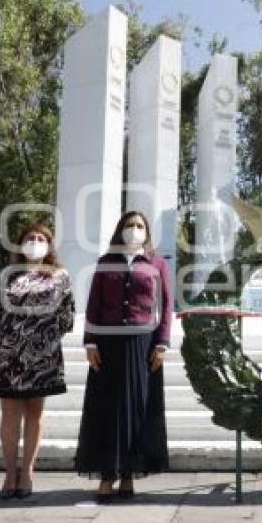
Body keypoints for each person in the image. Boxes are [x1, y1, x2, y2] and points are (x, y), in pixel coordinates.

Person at [75, 210, 173, 503]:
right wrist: (90, 342)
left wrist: (163, 343)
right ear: (120, 230)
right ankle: (107, 474)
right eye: (129, 225)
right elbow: (94, 303)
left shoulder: (156, 263)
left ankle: (129, 473)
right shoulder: (106, 262)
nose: (134, 230)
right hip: (107, 344)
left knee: (135, 409)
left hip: (142, 345)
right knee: (106, 408)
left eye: (140, 226)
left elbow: (166, 305)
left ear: (147, 232)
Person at [0, 224, 74, 499]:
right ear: (20, 244)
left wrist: (43, 337)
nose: (35, 242)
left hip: (42, 357)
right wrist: (14, 336)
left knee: (34, 415)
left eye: (41, 239)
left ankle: (28, 474)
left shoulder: (60, 276)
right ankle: (10, 474)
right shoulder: (7, 275)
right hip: (8, 356)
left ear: (49, 246)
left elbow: (67, 315)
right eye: (30, 238)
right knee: (9, 415)